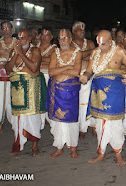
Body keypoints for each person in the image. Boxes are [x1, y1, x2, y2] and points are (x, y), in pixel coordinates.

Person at [80, 30, 126, 166]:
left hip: (115, 92)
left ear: (110, 42)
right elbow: (89, 70)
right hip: (98, 91)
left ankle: (118, 154)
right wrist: (85, 77)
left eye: (103, 44)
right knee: (100, 124)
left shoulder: (120, 51)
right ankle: (101, 152)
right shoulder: (95, 52)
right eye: (98, 43)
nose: (100, 47)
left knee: (115, 123)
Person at [5, 29, 46, 156]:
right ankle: (18, 142)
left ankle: (34, 145)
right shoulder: (13, 51)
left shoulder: (35, 50)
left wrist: (21, 54)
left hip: (31, 88)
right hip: (17, 88)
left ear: (29, 39)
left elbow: (34, 68)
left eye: (23, 38)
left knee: (33, 117)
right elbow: (8, 70)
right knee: (18, 117)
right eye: (18, 37)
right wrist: (16, 54)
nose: (20, 40)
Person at [46, 29, 82, 159]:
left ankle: (73, 148)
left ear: (71, 39)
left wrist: (59, 70)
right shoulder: (55, 53)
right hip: (56, 91)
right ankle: (59, 147)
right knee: (57, 122)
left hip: (70, 91)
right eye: (60, 38)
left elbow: (77, 71)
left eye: (65, 38)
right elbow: (51, 72)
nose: (63, 41)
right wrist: (68, 68)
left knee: (71, 120)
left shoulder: (77, 53)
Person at [71, 21, 96, 139]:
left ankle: (89, 126)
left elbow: (94, 57)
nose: (82, 32)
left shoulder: (90, 43)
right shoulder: (70, 44)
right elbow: (76, 57)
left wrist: (80, 55)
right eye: (79, 30)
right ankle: (80, 127)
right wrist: (86, 53)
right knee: (78, 103)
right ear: (73, 32)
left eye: (83, 29)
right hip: (74, 77)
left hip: (88, 76)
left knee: (88, 102)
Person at [0, 21, 16, 135]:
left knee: (12, 99)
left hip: (12, 73)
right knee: (0, 99)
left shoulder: (17, 42)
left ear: (12, 30)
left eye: (7, 28)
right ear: (1, 30)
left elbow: (19, 57)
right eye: (3, 29)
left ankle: (14, 123)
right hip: (0, 74)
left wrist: (7, 64)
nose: (5, 31)